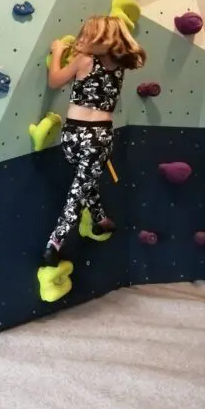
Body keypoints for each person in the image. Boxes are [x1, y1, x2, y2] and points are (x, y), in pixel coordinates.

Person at [43, 16, 146, 267]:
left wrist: (57, 52)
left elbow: (54, 80)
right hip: (98, 136)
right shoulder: (119, 66)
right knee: (82, 184)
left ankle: (74, 232)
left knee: (81, 184)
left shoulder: (84, 60)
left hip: (72, 134)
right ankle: (81, 228)